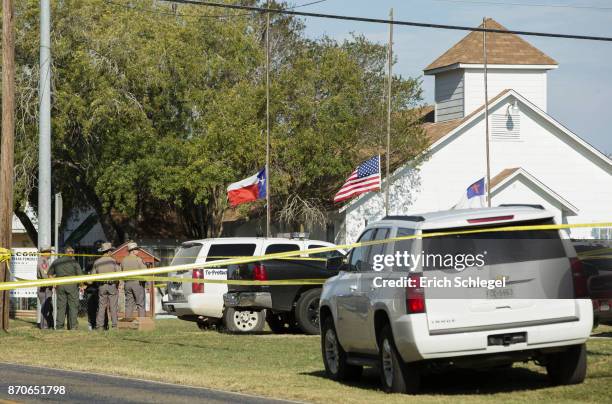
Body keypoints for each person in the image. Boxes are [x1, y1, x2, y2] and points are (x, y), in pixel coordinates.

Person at [48, 246, 83, 330]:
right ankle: (73, 326)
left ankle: (59, 327)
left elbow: (49, 274)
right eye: (72, 252)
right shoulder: (74, 262)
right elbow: (80, 276)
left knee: (61, 307)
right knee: (73, 307)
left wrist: (54, 282)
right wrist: (81, 285)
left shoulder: (56, 262)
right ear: (69, 252)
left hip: (60, 286)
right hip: (72, 286)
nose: (73, 253)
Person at [91, 242, 121, 329]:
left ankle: (100, 326)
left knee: (101, 307)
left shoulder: (97, 262)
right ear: (108, 252)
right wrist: (117, 283)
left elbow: (93, 276)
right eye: (111, 251)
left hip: (101, 286)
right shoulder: (113, 261)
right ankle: (115, 325)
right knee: (113, 306)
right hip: (112, 286)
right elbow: (119, 274)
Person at [121, 242, 147, 319]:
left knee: (129, 304)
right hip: (137, 283)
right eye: (137, 249)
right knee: (140, 304)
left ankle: (128, 322)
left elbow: (121, 272)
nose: (138, 251)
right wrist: (145, 282)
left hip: (127, 284)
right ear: (132, 251)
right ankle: (142, 322)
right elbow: (145, 271)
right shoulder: (138, 259)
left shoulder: (123, 260)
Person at [36, 246, 54, 329]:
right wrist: (53, 281)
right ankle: (44, 326)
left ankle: (48, 325)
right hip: (45, 288)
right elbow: (45, 275)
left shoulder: (44, 260)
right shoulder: (43, 261)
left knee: (48, 307)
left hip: (45, 287)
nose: (50, 253)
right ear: (45, 252)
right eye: (49, 252)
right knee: (45, 307)